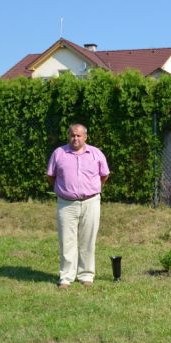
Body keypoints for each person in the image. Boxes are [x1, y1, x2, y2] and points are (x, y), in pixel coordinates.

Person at [47, 124, 110, 289]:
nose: (75, 138)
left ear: (85, 137)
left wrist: (91, 190)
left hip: (91, 202)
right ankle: (66, 277)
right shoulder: (59, 153)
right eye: (72, 135)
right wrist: (65, 190)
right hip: (66, 204)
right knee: (66, 241)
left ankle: (86, 275)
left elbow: (104, 175)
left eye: (79, 136)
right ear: (68, 136)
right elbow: (51, 176)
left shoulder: (96, 153)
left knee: (88, 240)